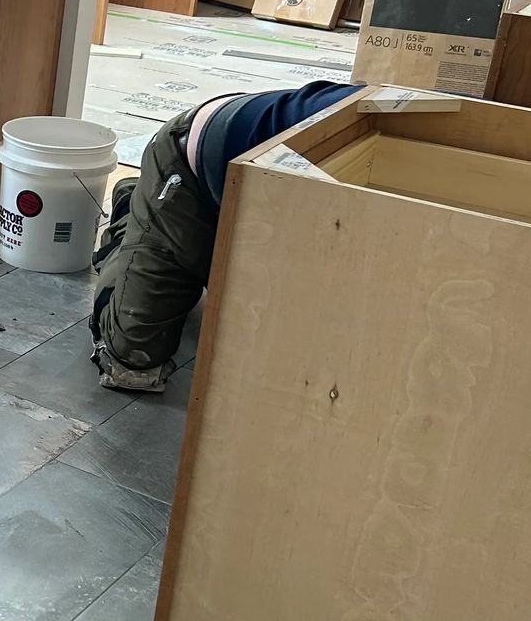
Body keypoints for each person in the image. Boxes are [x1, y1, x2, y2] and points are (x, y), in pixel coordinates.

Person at [89, 80, 363, 393]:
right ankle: (134, 214)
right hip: (190, 170)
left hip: (257, 197)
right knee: (133, 356)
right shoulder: (369, 120)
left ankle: (163, 226)